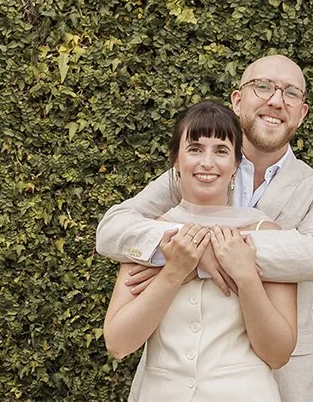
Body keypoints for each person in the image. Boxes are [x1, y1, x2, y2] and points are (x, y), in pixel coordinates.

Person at [97, 55, 313, 402]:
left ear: (302, 112)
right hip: (172, 380)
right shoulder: (195, 170)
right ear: (237, 99)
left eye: (290, 93)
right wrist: (179, 261)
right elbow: (113, 230)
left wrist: (200, 255)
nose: (276, 100)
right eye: (263, 86)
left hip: (287, 378)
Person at [103, 101, 297, 401]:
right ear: (176, 161)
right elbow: (118, 343)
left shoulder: (265, 233)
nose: (207, 162)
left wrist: (247, 278)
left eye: (220, 150)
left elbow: (278, 354)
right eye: (195, 149)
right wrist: (174, 272)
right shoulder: (150, 234)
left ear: (235, 165)